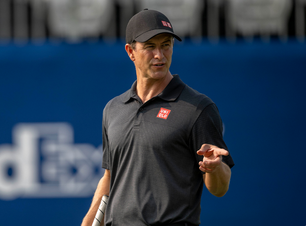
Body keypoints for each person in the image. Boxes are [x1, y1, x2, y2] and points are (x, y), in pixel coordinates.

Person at [82, 9, 234, 226]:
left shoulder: (198, 108)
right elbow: (109, 178)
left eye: (166, 45)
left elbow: (220, 188)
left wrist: (215, 167)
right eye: (150, 46)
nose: (159, 55)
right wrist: (88, 222)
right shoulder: (113, 109)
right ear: (130, 51)